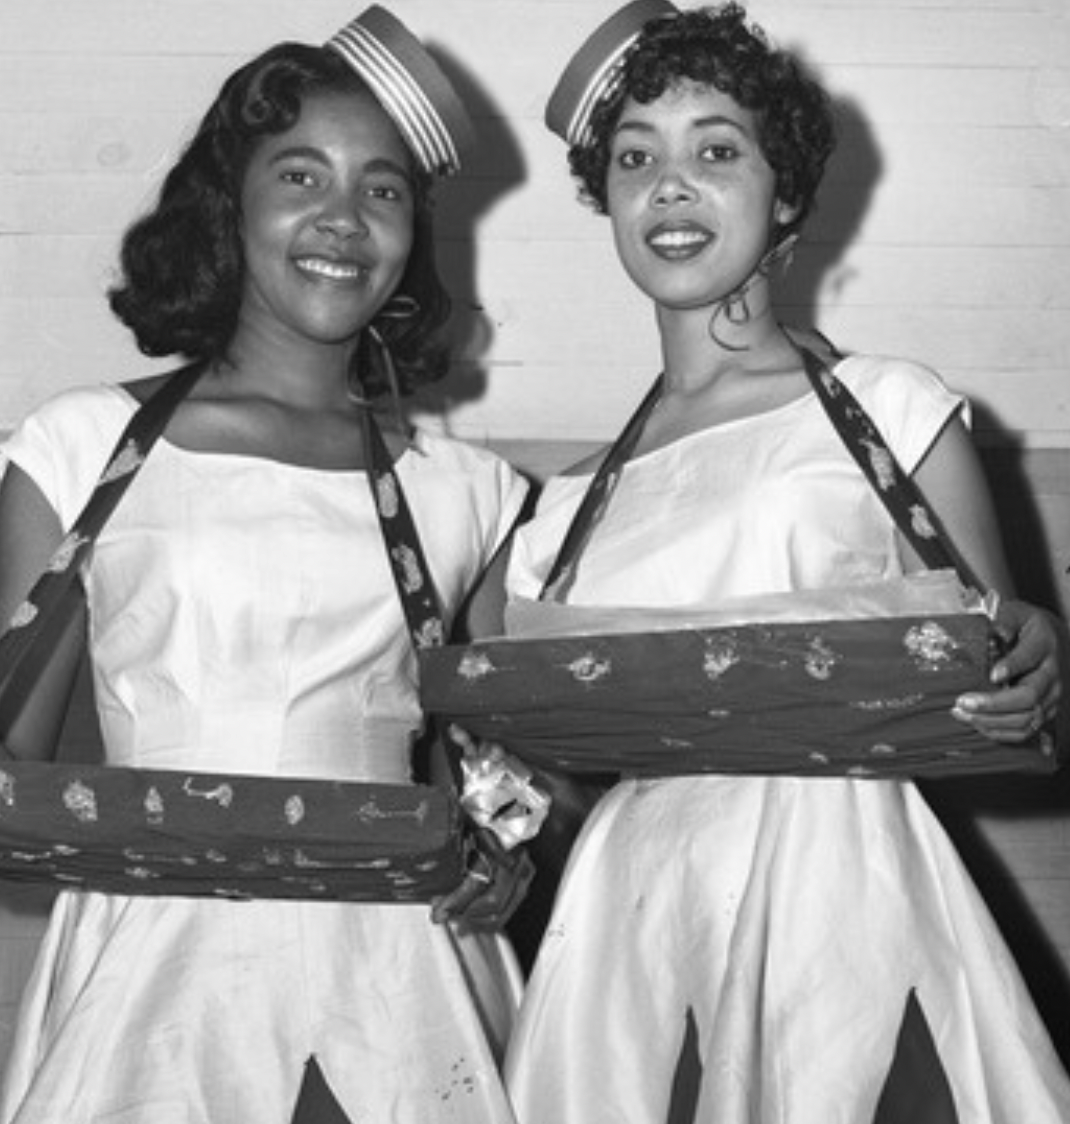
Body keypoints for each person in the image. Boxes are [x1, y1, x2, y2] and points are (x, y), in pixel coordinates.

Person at [494, 3, 1070, 1121]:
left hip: (838, 904)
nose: (669, 187)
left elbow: (1013, 683)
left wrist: (1040, 653)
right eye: (633, 158)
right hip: (627, 924)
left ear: (787, 190)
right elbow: (555, 775)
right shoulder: (561, 510)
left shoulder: (890, 412)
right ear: (603, 199)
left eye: (715, 150)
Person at [0, 8, 529, 1122]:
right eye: (301, 175)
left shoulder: (461, 488)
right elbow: (12, 756)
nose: (342, 219)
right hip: (151, 972)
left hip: (406, 975)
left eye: (381, 189)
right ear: (227, 205)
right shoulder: (79, 447)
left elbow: (510, 767)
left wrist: (507, 838)